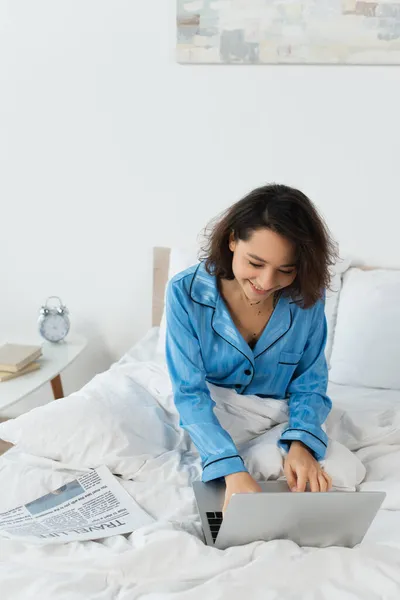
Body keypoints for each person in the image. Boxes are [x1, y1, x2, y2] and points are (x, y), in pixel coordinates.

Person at [165, 184, 338, 513]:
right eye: (255, 263)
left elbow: (310, 380)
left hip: (275, 420)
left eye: (285, 270)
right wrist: (231, 468)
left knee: (330, 475)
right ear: (232, 240)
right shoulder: (185, 294)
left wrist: (301, 442)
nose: (267, 281)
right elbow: (189, 393)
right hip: (209, 418)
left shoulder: (306, 299)